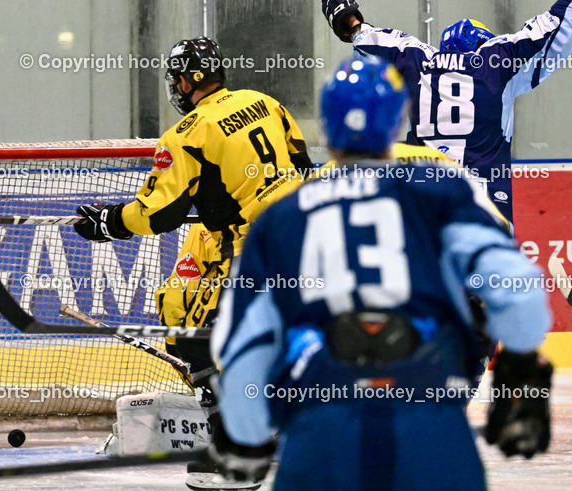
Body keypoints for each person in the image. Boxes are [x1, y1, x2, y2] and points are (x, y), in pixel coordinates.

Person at [207, 57, 553, 490]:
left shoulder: (281, 219)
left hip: (322, 432)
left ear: (328, 129)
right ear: (396, 123)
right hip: (430, 424)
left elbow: (245, 350)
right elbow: (517, 290)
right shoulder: (441, 193)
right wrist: (519, 367)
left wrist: (247, 440)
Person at [73, 37, 313, 489]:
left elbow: (156, 213)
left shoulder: (188, 134)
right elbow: (304, 167)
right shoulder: (265, 103)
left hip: (256, 252)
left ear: (184, 80)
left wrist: (108, 223)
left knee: (192, 334)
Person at [321, 0, 572, 222]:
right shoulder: (496, 65)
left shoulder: (417, 63)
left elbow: (373, 41)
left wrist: (350, 21)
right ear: (480, 44)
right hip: (484, 208)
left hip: (422, 203)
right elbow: (549, 32)